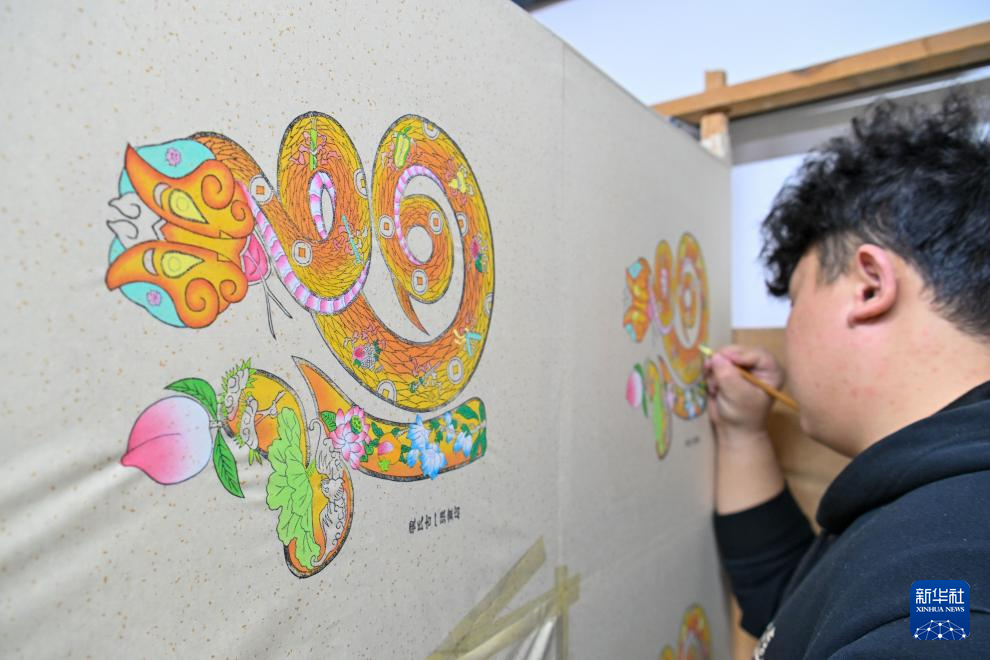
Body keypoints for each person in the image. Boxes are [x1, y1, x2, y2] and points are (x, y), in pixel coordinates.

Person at [704, 93, 990, 658]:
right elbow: (795, 610)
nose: (791, 330)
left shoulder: (942, 587)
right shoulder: (932, 505)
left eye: (796, 300)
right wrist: (743, 435)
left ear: (869, 287)